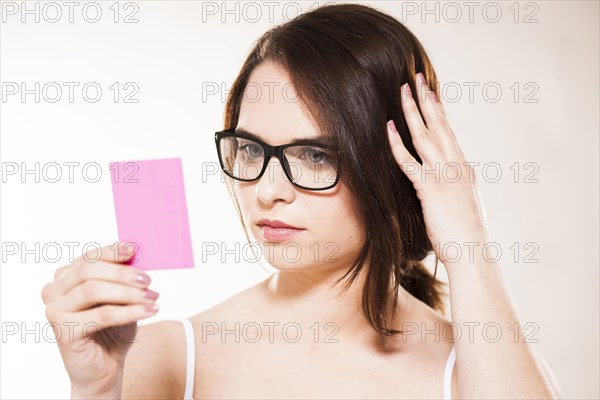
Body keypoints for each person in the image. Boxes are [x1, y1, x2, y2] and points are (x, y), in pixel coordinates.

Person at [41, 3, 562, 399]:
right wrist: (96, 391)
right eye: (249, 149)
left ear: (394, 165)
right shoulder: (164, 358)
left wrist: (469, 245)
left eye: (314, 156)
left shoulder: (474, 368)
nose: (268, 191)